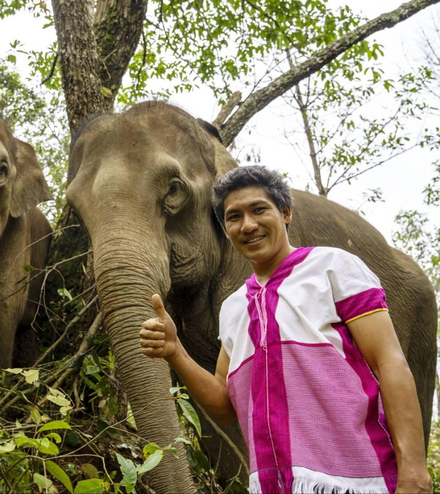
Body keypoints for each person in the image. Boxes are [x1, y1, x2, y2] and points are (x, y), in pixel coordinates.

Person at [139, 165, 431, 493]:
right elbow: (223, 406)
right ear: (225, 228)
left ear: (286, 213)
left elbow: (390, 363)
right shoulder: (234, 308)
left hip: (359, 482)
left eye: (259, 209)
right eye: (234, 217)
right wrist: (175, 351)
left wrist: (415, 470)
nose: (248, 225)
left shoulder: (334, 268)